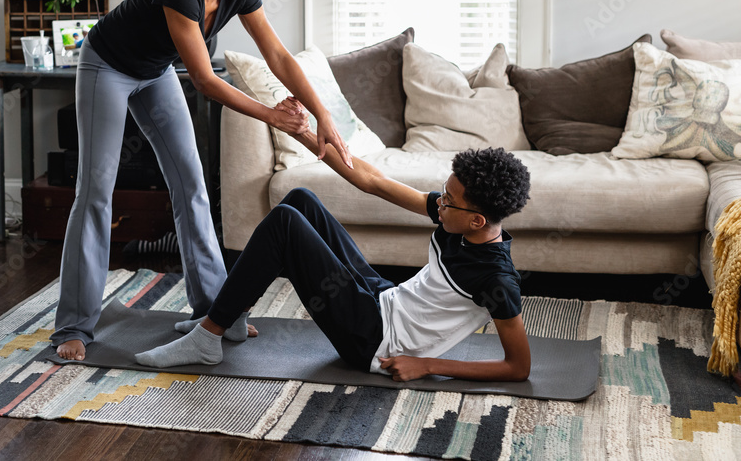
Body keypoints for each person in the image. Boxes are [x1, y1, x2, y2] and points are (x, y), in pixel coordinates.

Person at [52, 0, 354, 361]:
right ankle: (73, 325)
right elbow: (206, 81)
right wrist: (272, 115)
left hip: (154, 73)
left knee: (192, 184)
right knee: (96, 191)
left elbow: (279, 57)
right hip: (107, 67)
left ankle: (216, 313)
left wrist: (323, 116)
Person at [135, 121, 532, 383]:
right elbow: (374, 181)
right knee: (301, 199)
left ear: (477, 220)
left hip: (375, 339)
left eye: (448, 200)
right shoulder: (458, 218)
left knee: (285, 224)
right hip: (383, 299)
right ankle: (232, 317)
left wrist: (425, 364)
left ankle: (208, 338)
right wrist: (305, 134)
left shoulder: (497, 280)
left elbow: (519, 367)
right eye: (443, 193)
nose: (439, 202)